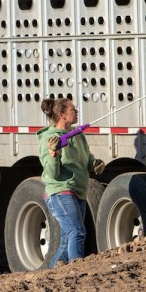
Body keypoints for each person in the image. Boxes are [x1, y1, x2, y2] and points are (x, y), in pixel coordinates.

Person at [37, 97, 104, 267]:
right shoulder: (50, 139)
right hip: (60, 192)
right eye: (73, 110)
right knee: (77, 232)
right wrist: (53, 155)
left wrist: (94, 164)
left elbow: (86, 158)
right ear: (62, 115)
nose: (77, 112)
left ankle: (52, 273)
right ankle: (76, 269)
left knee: (67, 240)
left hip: (78, 191)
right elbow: (52, 174)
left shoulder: (78, 135)